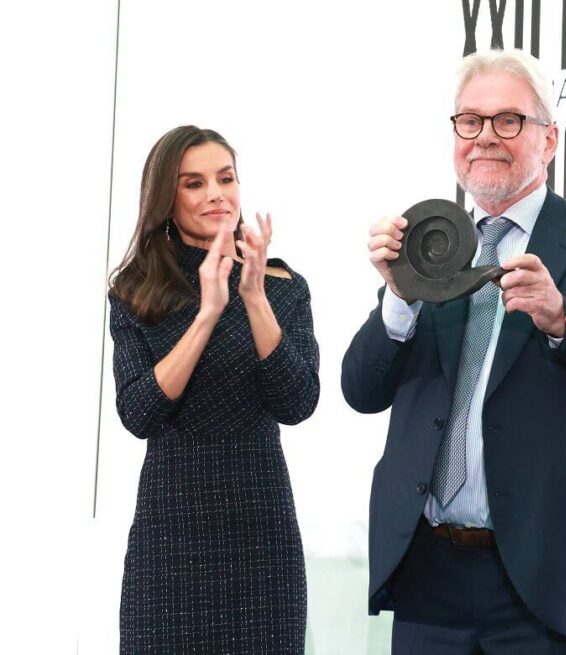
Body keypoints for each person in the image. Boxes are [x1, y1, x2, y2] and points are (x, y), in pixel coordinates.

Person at [341, 49, 566, 653]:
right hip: (427, 570)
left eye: (508, 121)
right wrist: (398, 298)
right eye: (470, 120)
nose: (485, 137)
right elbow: (361, 391)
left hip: (553, 568)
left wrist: (559, 322)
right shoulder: (430, 243)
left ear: (549, 140)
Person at [108, 126, 319, 654]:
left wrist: (252, 297)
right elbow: (139, 412)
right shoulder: (136, 291)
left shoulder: (281, 286)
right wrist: (207, 314)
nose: (216, 194)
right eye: (194, 184)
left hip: (262, 535)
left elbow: (298, 402)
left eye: (225, 178)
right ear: (166, 198)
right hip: (170, 541)